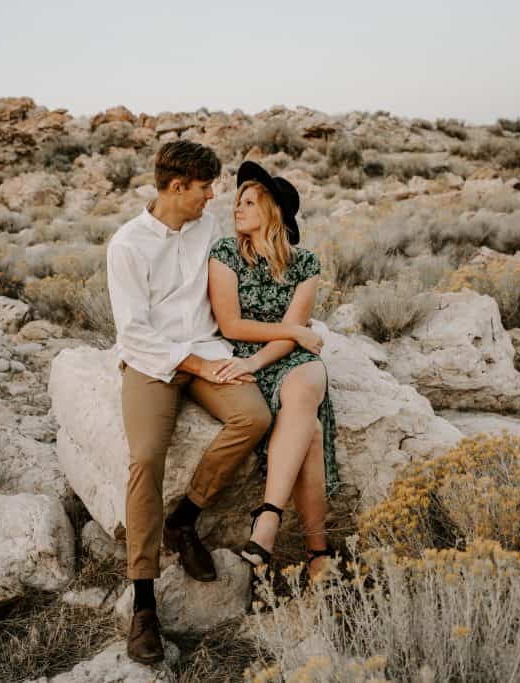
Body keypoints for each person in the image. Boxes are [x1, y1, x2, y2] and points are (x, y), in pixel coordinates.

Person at [105, 142, 320, 664]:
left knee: (254, 416)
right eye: (205, 188)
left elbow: (244, 281)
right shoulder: (127, 245)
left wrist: (283, 329)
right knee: (147, 458)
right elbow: (132, 332)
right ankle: (144, 604)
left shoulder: (207, 233)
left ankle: (187, 516)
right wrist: (194, 365)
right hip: (155, 361)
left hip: (207, 349)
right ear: (178, 187)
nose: (212, 198)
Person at [207, 161, 339, 585]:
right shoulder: (225, 253)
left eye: (248, 201)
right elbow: (231, 325)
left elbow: (292, 339)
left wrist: (267, 354)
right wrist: (287, 336)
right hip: (246, 351)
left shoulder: (305, 264)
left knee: (306, 385)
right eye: (237, 202)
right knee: (311, 433)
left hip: (285, 359)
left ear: (273, 210)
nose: (237, 209)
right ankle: (318, 554)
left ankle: (268, 517)